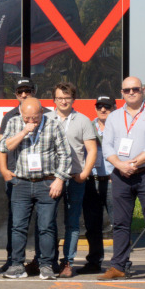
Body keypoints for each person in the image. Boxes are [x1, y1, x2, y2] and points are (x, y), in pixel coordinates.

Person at [100, 77, 145, 282]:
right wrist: (120, 165)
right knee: (120, 223)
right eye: (127, 90)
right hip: (121, 175)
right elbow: (107, 146)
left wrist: (133, 164)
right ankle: (118, 266)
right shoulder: (114, 117)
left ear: (143, 90)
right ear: (121, 92)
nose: (131, 92)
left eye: (135, 89)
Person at [0, 97, 69, 281]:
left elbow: (65, 155)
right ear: (21, 113)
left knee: (46, 227)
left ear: (41, 112)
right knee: (18, 227)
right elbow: (4, 147)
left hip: (47, 183)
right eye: (27, 117)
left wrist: (59, 179)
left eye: (35, 118)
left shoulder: (53, 125)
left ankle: (46, 265)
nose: (31, 121)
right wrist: (23, 131)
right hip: (21, 182)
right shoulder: (14, 122)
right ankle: (17, 265)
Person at [51, 82, 99, 277]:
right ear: (54, 100)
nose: (63, 101)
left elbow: (92, 150)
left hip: (74, 178)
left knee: (72, 223)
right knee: (48, 222)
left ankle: (67, 262)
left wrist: (85, 173)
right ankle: (47, 261)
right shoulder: (46, 118)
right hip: (51, 178)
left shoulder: (83, 120)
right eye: (60, 98)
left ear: (73, 99)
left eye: (67, 98)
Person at [0, 78, 45, 274]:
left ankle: (41, 260)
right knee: (16, 222)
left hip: (42, 178)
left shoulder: (45, 113)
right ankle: (13, 260)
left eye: (28, 91)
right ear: (15, 94)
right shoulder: (10, 117)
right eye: (20, 92)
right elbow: (1, 146)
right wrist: (4, 170)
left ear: (34, 91)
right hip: (17, 176)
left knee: (44, 222)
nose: (24, 95)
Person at [79, 96, 115, 273]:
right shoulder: (88, 126)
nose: (103, 110)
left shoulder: (119, 127)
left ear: (114, 108)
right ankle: (94, 262)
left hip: (112, 181)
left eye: (106, 107)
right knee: (92, 226)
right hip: (91, 181)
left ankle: (121, 263)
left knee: (119, 224)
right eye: (99, 106)